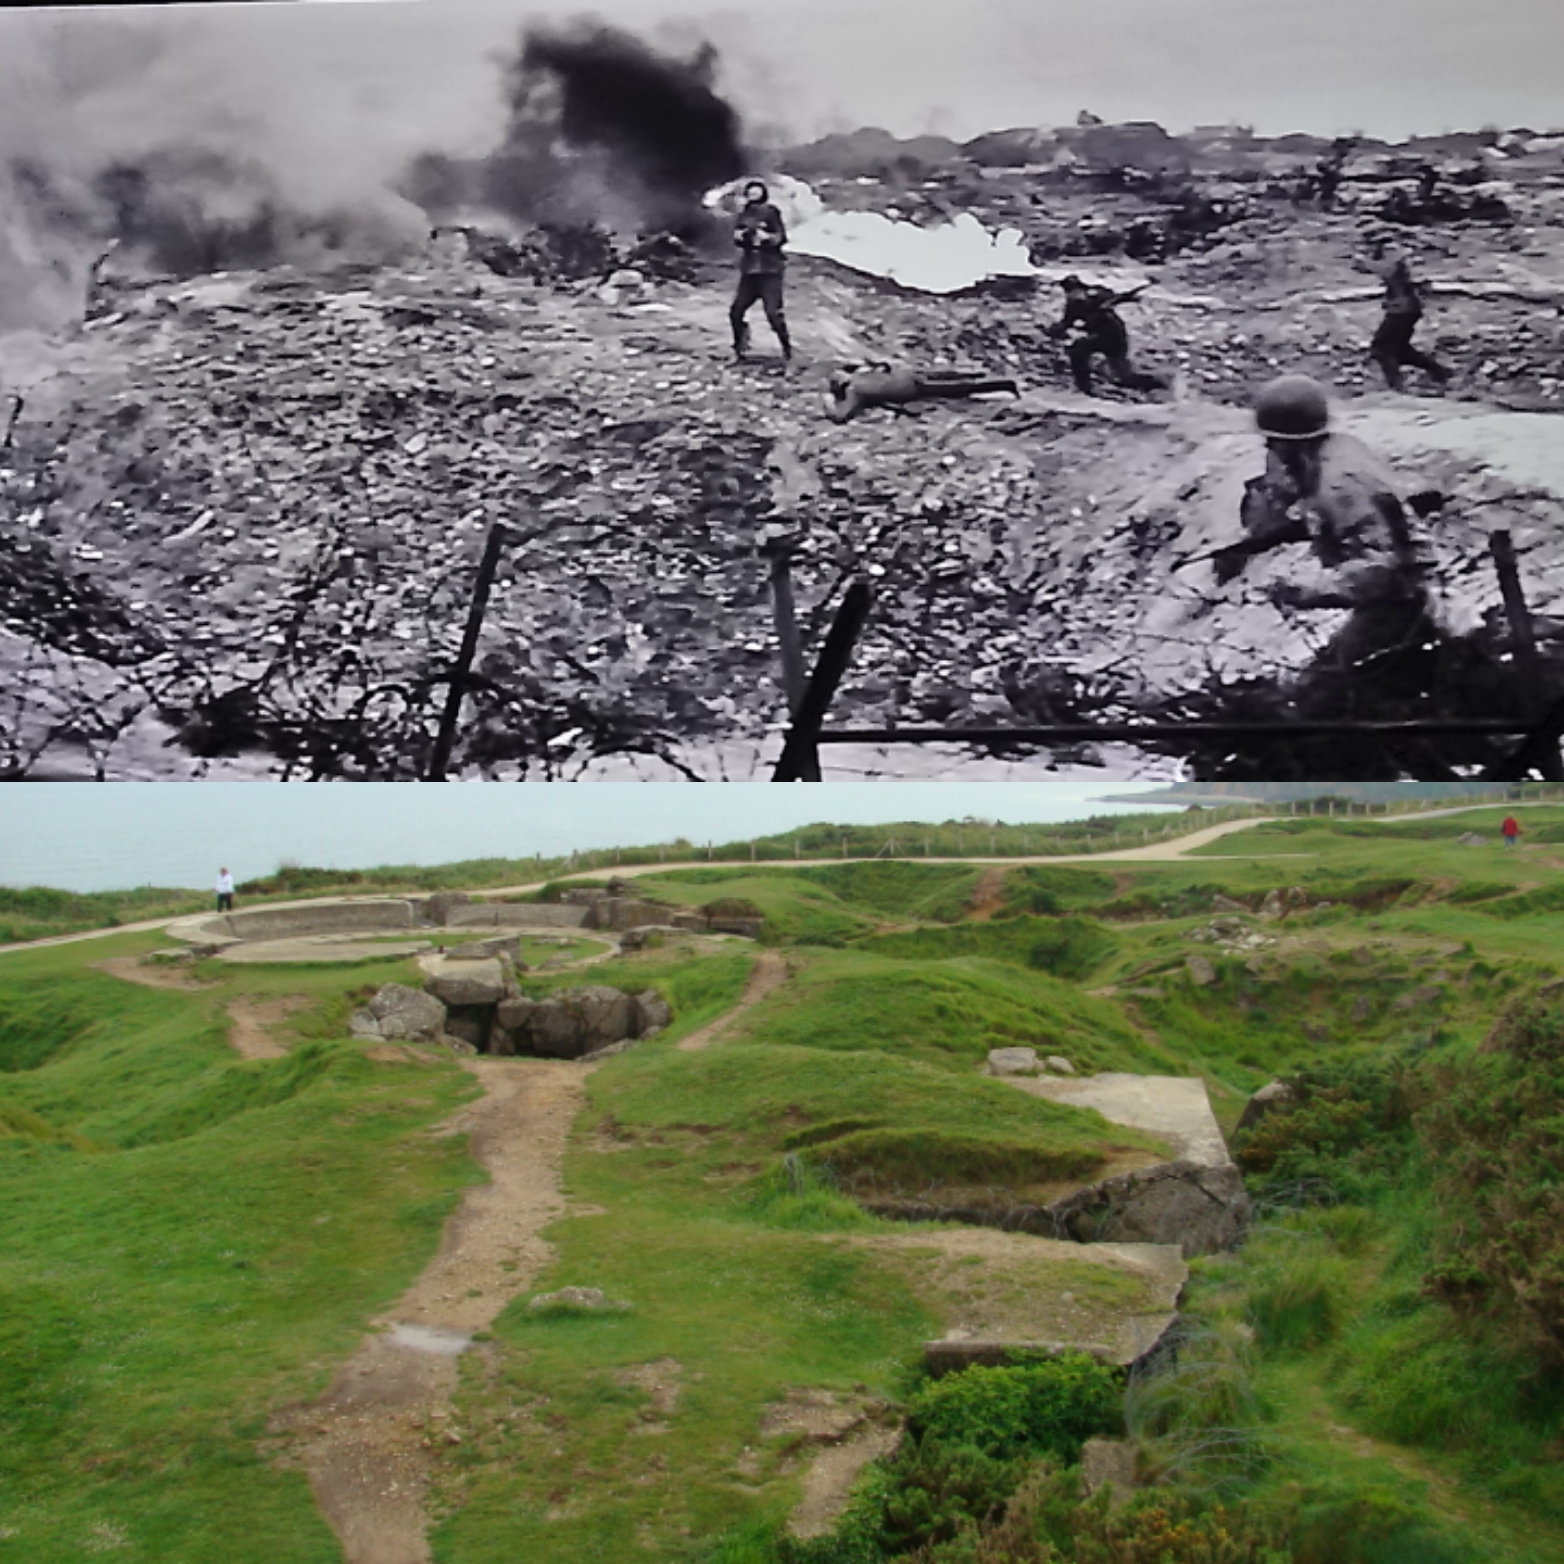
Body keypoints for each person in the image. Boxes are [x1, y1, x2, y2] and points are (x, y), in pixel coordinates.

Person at [1214, 376, 1433, 678]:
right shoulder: (1328, 453)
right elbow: (1289, 501)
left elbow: (1386, 570)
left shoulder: (1341, 485)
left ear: (1289, 441)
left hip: (1402, 602)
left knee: (1321, 690)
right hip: (1390, 592)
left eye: (1273, 441)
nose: (1268, 447)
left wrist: (1310, 592)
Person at [1046, 276, 1165, 397]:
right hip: (1101, 337)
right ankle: (1084, 387)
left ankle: (1159, 385)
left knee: (1123, 376)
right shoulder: (1074, 304)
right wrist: (1054, 331)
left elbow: (1117, 297)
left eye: (1074, 290)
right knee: (1078, 352)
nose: (1073, 295)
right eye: (1068, 291)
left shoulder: (1096, 296)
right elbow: (1067, 322)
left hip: (1113, 336)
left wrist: (1125, 298)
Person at [825, 362, 1020, 424]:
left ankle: (997, 382)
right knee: (955, 383)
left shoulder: (856, 387)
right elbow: (884, 366)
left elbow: (840, 415)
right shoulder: (858, 384)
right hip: (911, 380)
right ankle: (998, 382)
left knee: (955, 385)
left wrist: (828, 401)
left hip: (911, 384)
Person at [730, 180, 791, 364]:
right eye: (751, 194)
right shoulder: (743, 214)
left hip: (770, 270)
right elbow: (738, 239)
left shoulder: (771, 211)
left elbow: (781, 237)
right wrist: (741, 237)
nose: (754, 197)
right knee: (736, 311)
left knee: (773, 313)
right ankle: (740, 346)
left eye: (757, 194)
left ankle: (787, 349)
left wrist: (768, 238)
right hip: (750, 270)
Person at [1370, 256, 1450, 392]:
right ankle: (1439, 372)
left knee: (1381, 348)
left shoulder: (1398, 257)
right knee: (1399, 348)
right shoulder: (1400, 259)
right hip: (1404, 308)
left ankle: (1396, 386)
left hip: (1403, 310)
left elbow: (1388, 271)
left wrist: (1366, 262)